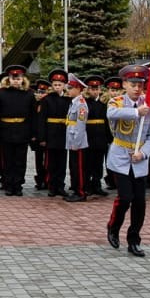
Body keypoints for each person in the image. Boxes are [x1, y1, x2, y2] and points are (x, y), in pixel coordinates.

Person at [105, 64, 150, 257]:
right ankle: (113, 226)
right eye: (133, 84)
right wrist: (137, 112)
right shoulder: (117, 102)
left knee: (140, 202)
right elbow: (111, 114)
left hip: (139, 159)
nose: (137, 88)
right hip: (120, 157)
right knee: (125, 198)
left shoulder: (148, 105)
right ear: (125, 84)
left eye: (140, 84)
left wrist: (143, 154)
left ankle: (134, 239)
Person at [0, 66, 34, 196]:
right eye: (13, 78)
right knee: (8, 159)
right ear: (9, 79)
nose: (16, 81)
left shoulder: (29, 93)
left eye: (19, 78)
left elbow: (33, 114)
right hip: (6, 130)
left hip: (23, 130)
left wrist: (33, 133)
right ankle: (8, 184)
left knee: (20, 160)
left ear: (23, 79)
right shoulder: (1, 93)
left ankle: (18, 184)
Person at [35, 69, 72, 198]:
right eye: (55, 85)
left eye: (60, 85)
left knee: (62, 162)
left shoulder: (69, 99)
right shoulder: (46, 100)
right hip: (50, 134)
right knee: (51, 162)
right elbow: (41, 120)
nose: (57, 87)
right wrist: (42, 137)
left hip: (64, 134)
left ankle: (60, 186)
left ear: (64, 85)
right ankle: (51, 186)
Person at [82, 76, 109, 197]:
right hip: (88, 137)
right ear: (88, 90)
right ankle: (87, 185)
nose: (94, 91)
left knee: (99, 164)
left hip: (101, 138)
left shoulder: (104, 105)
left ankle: (97, 184)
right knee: (88, 163)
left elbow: (107, 123)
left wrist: (109, 138)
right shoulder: (84, 104)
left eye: (97, 89)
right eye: (92, 89)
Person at [63, 73, 88, 202]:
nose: (69, 90)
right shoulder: (74, 103)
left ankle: (81, 192)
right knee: (73, 167)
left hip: (77, 142)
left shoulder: (81, 104)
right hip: (72, 140)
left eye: (71, 88)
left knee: (78, 167)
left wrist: (76, 143)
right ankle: (75, 189)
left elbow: (80, 126)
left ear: (78, 89)